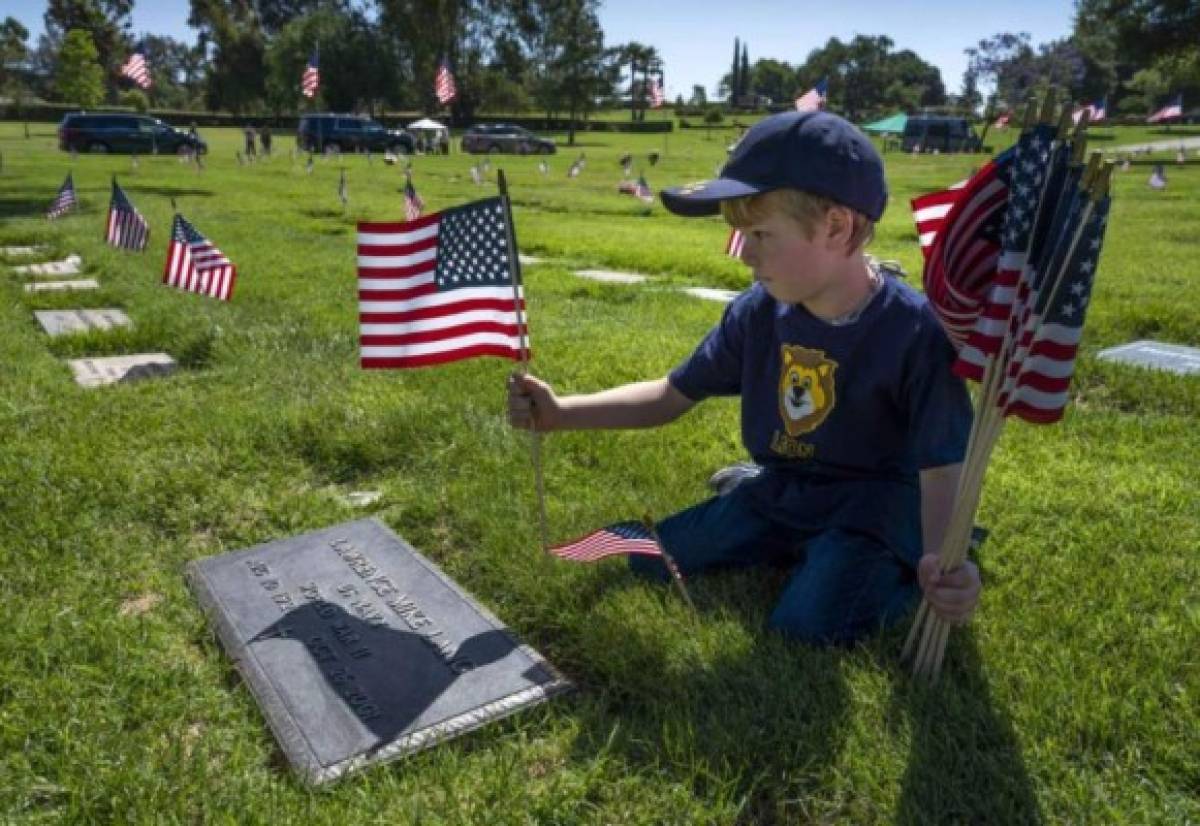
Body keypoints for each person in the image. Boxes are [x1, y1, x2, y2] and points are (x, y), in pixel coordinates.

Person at [507, 111, 981, 646]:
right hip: (785, 488)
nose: (745, 254)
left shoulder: (914, 332)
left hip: (871, 509)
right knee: (651, 556)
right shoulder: (758, 314)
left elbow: (943, 467)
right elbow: (669, 395)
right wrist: (561, 413)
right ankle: (756, 501)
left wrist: (944, 560)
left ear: (836, 226)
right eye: (740, 234)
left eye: (760, 233)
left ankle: (886, 568)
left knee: (805, 626)